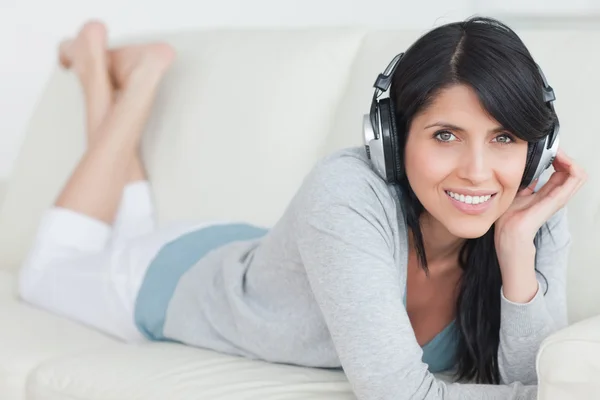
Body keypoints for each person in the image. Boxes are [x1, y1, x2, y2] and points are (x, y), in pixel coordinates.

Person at [18, 16, 586, 400]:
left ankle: (108, 77)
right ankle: (118, 77)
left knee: (128, 226)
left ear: (535, 148)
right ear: (390, 137)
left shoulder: (527, 210)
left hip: (267, 252)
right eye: (444, 135)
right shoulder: (344, 189)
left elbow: (529, 375)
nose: (479, 171)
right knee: (47, 270)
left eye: (505, 137)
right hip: (173, 278)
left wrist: (516, 258)